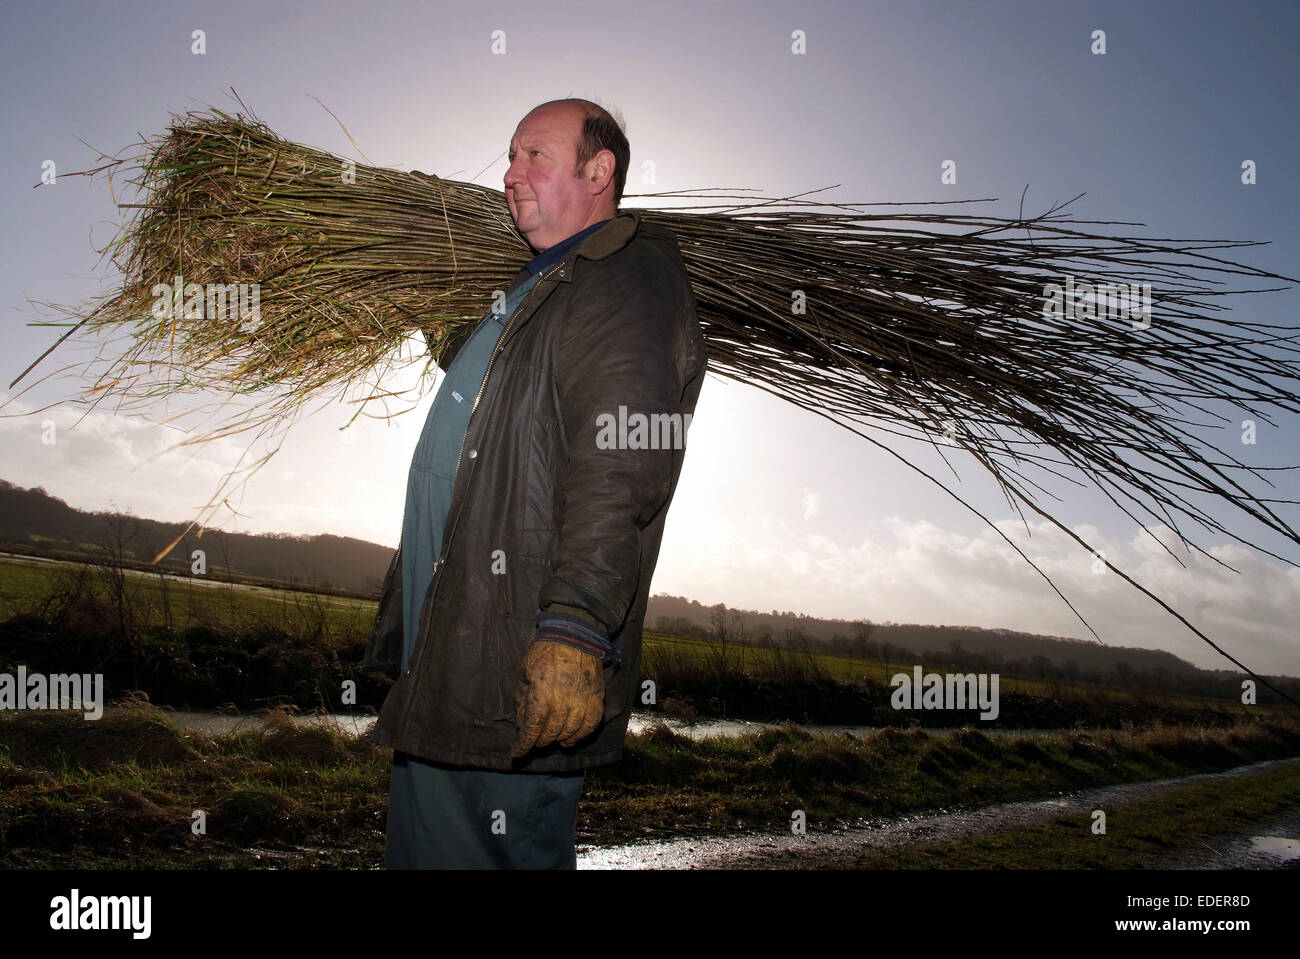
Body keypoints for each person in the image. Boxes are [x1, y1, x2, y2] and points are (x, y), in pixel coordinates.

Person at [362, 98, 707, 869]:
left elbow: (622, 463)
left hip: (514, 644)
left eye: (533, 156)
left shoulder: (623, 279)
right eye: (508, 157)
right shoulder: (538, 285)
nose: (509, 175)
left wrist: (578, 626)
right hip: (458, 638)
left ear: (598, 170)